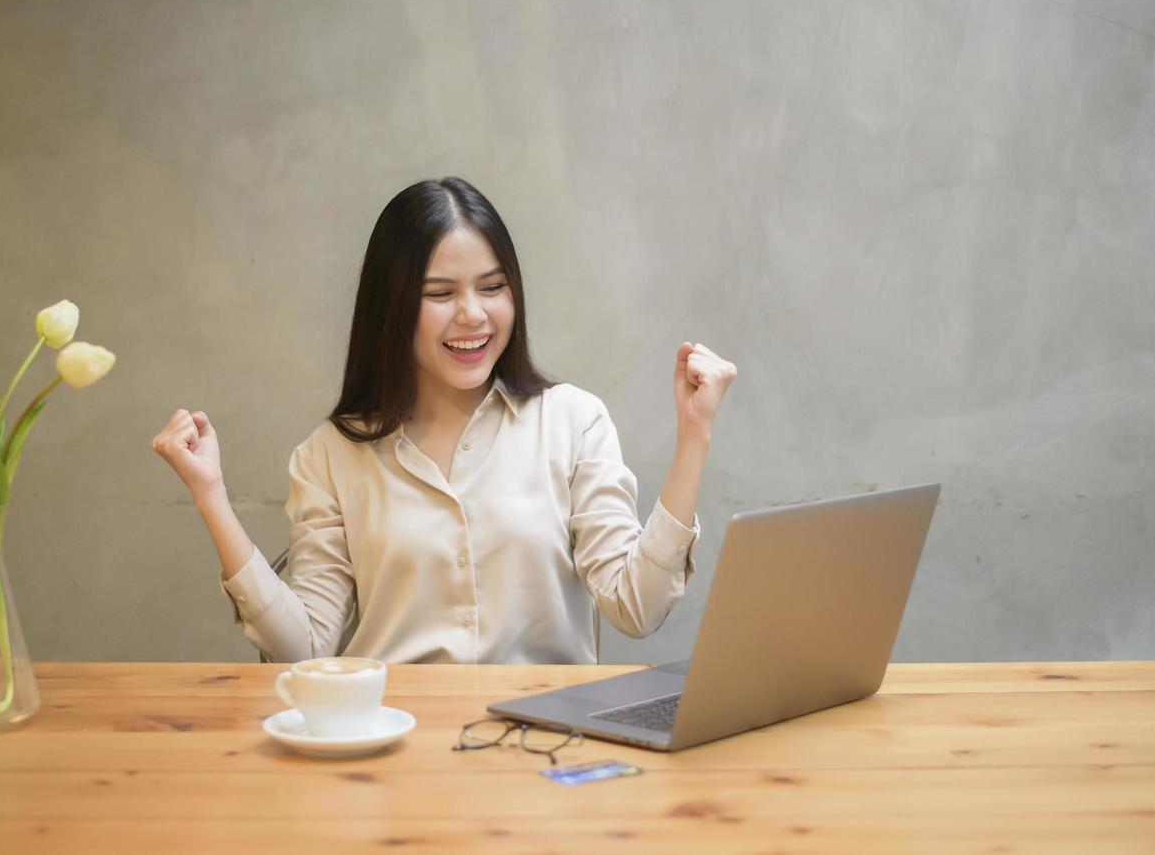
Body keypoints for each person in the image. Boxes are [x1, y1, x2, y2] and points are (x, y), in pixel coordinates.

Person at [151, 177, 738, 664]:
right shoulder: (328, 455)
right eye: (439, 294)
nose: (473, 315)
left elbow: (637, 606)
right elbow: (302, 650)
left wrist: (694, 434)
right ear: (392, 306)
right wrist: (212, 496)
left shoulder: (573, 422)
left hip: (544, 757)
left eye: (492, 287)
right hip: (390, 752)